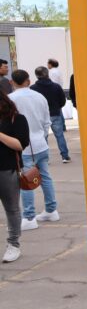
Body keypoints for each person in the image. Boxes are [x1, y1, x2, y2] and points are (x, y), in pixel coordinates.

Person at [10, 70, 58, 232]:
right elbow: (47, 121)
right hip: (41, 143)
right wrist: (42, 136)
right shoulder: (40, 97)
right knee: (45, 177)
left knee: (25, 181)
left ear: (12, 82)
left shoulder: (11, 99)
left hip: (23, 146)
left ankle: (29, 217)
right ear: (28, 81)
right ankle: (51, 210)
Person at [0, 90, 29, 263]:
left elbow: (20, 144)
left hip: (7, 170)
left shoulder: (16, 119)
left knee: (11, 209)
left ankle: (13, 244)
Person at [31, 66, 69, 164]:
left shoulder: (33, 88)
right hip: (55, 113)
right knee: (59, 135)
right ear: (47, 74)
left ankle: (45, 158)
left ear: (36, 75)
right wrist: (57, 107)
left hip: (40, 116)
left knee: (43, 137)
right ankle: (65, 156)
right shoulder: (56, 86)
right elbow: (62, 101)